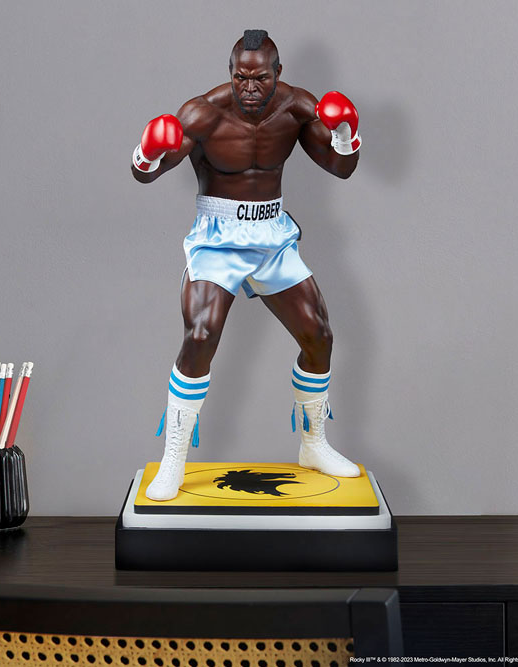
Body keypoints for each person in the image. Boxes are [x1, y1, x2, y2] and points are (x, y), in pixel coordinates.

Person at [132, 30, 363, 501]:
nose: (250, 88)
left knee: (319, 336)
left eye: (260, 78)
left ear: (278, 74)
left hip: (272, 234)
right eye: (241, 78)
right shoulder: (203, 113)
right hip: (217, 238)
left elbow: (341, 168)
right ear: (230, 73)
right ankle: (174, 457)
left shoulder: (296, 107)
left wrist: (344, 133)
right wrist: (147, 151)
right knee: (201, 335)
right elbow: (146, 173)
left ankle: (314, 445)